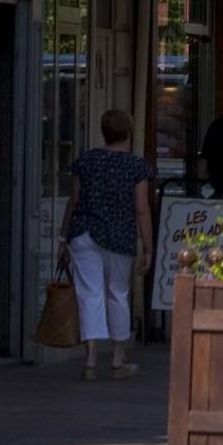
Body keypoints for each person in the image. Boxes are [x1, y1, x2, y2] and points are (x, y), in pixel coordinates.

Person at [64, 109, 152, 379]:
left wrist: (62, 236)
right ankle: (117, 357)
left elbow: (74, 200)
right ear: (128, 133)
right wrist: (148, 247)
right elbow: (141, 207)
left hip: (84, 232)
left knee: (88, 293)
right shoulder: (136, 166)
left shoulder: (86, 161)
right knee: (118, 293)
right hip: (119, 235)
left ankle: (90, 358)